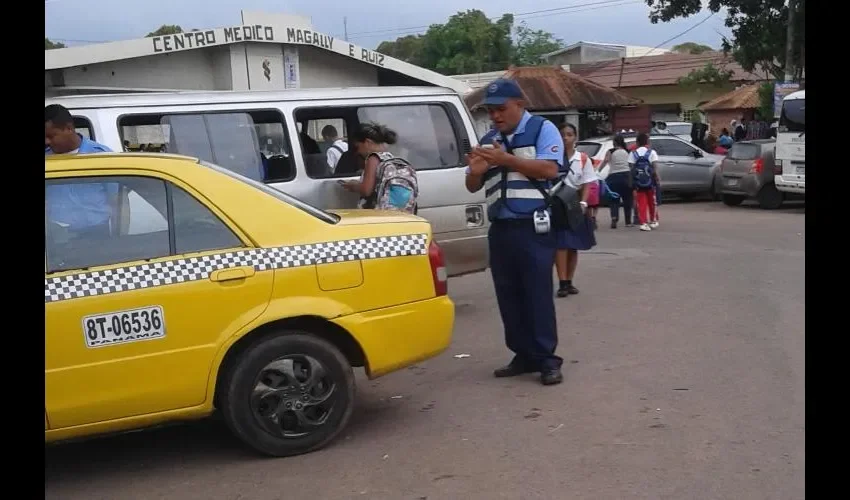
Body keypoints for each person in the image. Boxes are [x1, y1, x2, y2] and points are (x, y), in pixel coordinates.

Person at [463, 78, 565, 386]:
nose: (495, 116)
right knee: (508, 295)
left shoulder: (543, 130)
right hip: (501, 228)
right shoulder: (489, 139)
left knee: (537, 294)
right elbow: (471, 185)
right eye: (491, 111)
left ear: (519, 105)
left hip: (533, 226)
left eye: (501, 109)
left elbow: (550, 170)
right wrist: (477, 173)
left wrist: (505, 160)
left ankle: (547, 359)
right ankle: (522, 355)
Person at [45, 103, 117, 239]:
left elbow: (118, 201)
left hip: (96, 235)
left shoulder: (101, 157)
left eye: (51, 136)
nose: (47, 141)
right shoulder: (46, 160)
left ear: (69, 128)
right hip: (56, 239)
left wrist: (119, 238)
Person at [554, 123, 597, 298]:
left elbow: (587, 183)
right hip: (557, 204)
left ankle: (569, 281)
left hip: (575, 205)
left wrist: (584, 203)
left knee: (574, 246)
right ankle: (562, 282)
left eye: (570, 134)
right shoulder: (552, 157)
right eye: (563, 134)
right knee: (561, 244)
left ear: (575, 137)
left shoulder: (583, 159)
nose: (566, 138)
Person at [342, 122, 417, 213]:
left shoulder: (373, 158)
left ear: (367, 142)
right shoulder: (390, 157)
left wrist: (353, 185)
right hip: (399, 213)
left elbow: (366, 190)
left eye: (358, 147)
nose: (358, 152)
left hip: (379, 215)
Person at [597, 134, 633, 228]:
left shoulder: (610, 151)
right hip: (626, 176)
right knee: (627, 200)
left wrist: (598, 171)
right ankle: (628, 222)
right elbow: (631, 164)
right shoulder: (627, 151)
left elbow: (605, 161)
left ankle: (614, 218)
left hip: (614, 177)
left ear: (614, 142)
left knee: (613, 200)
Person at [628, 133, 660, 231]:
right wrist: (657, 179)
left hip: (638, 182)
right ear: (647, 142)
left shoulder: (633, 153)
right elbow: (655, 168)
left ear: (637, 142)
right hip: (650, 182)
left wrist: (632, 182)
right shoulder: (652, 152)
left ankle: (643, 223)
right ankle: (653, 220)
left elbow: (631, 168)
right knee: (652, 202)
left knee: (641, 202)